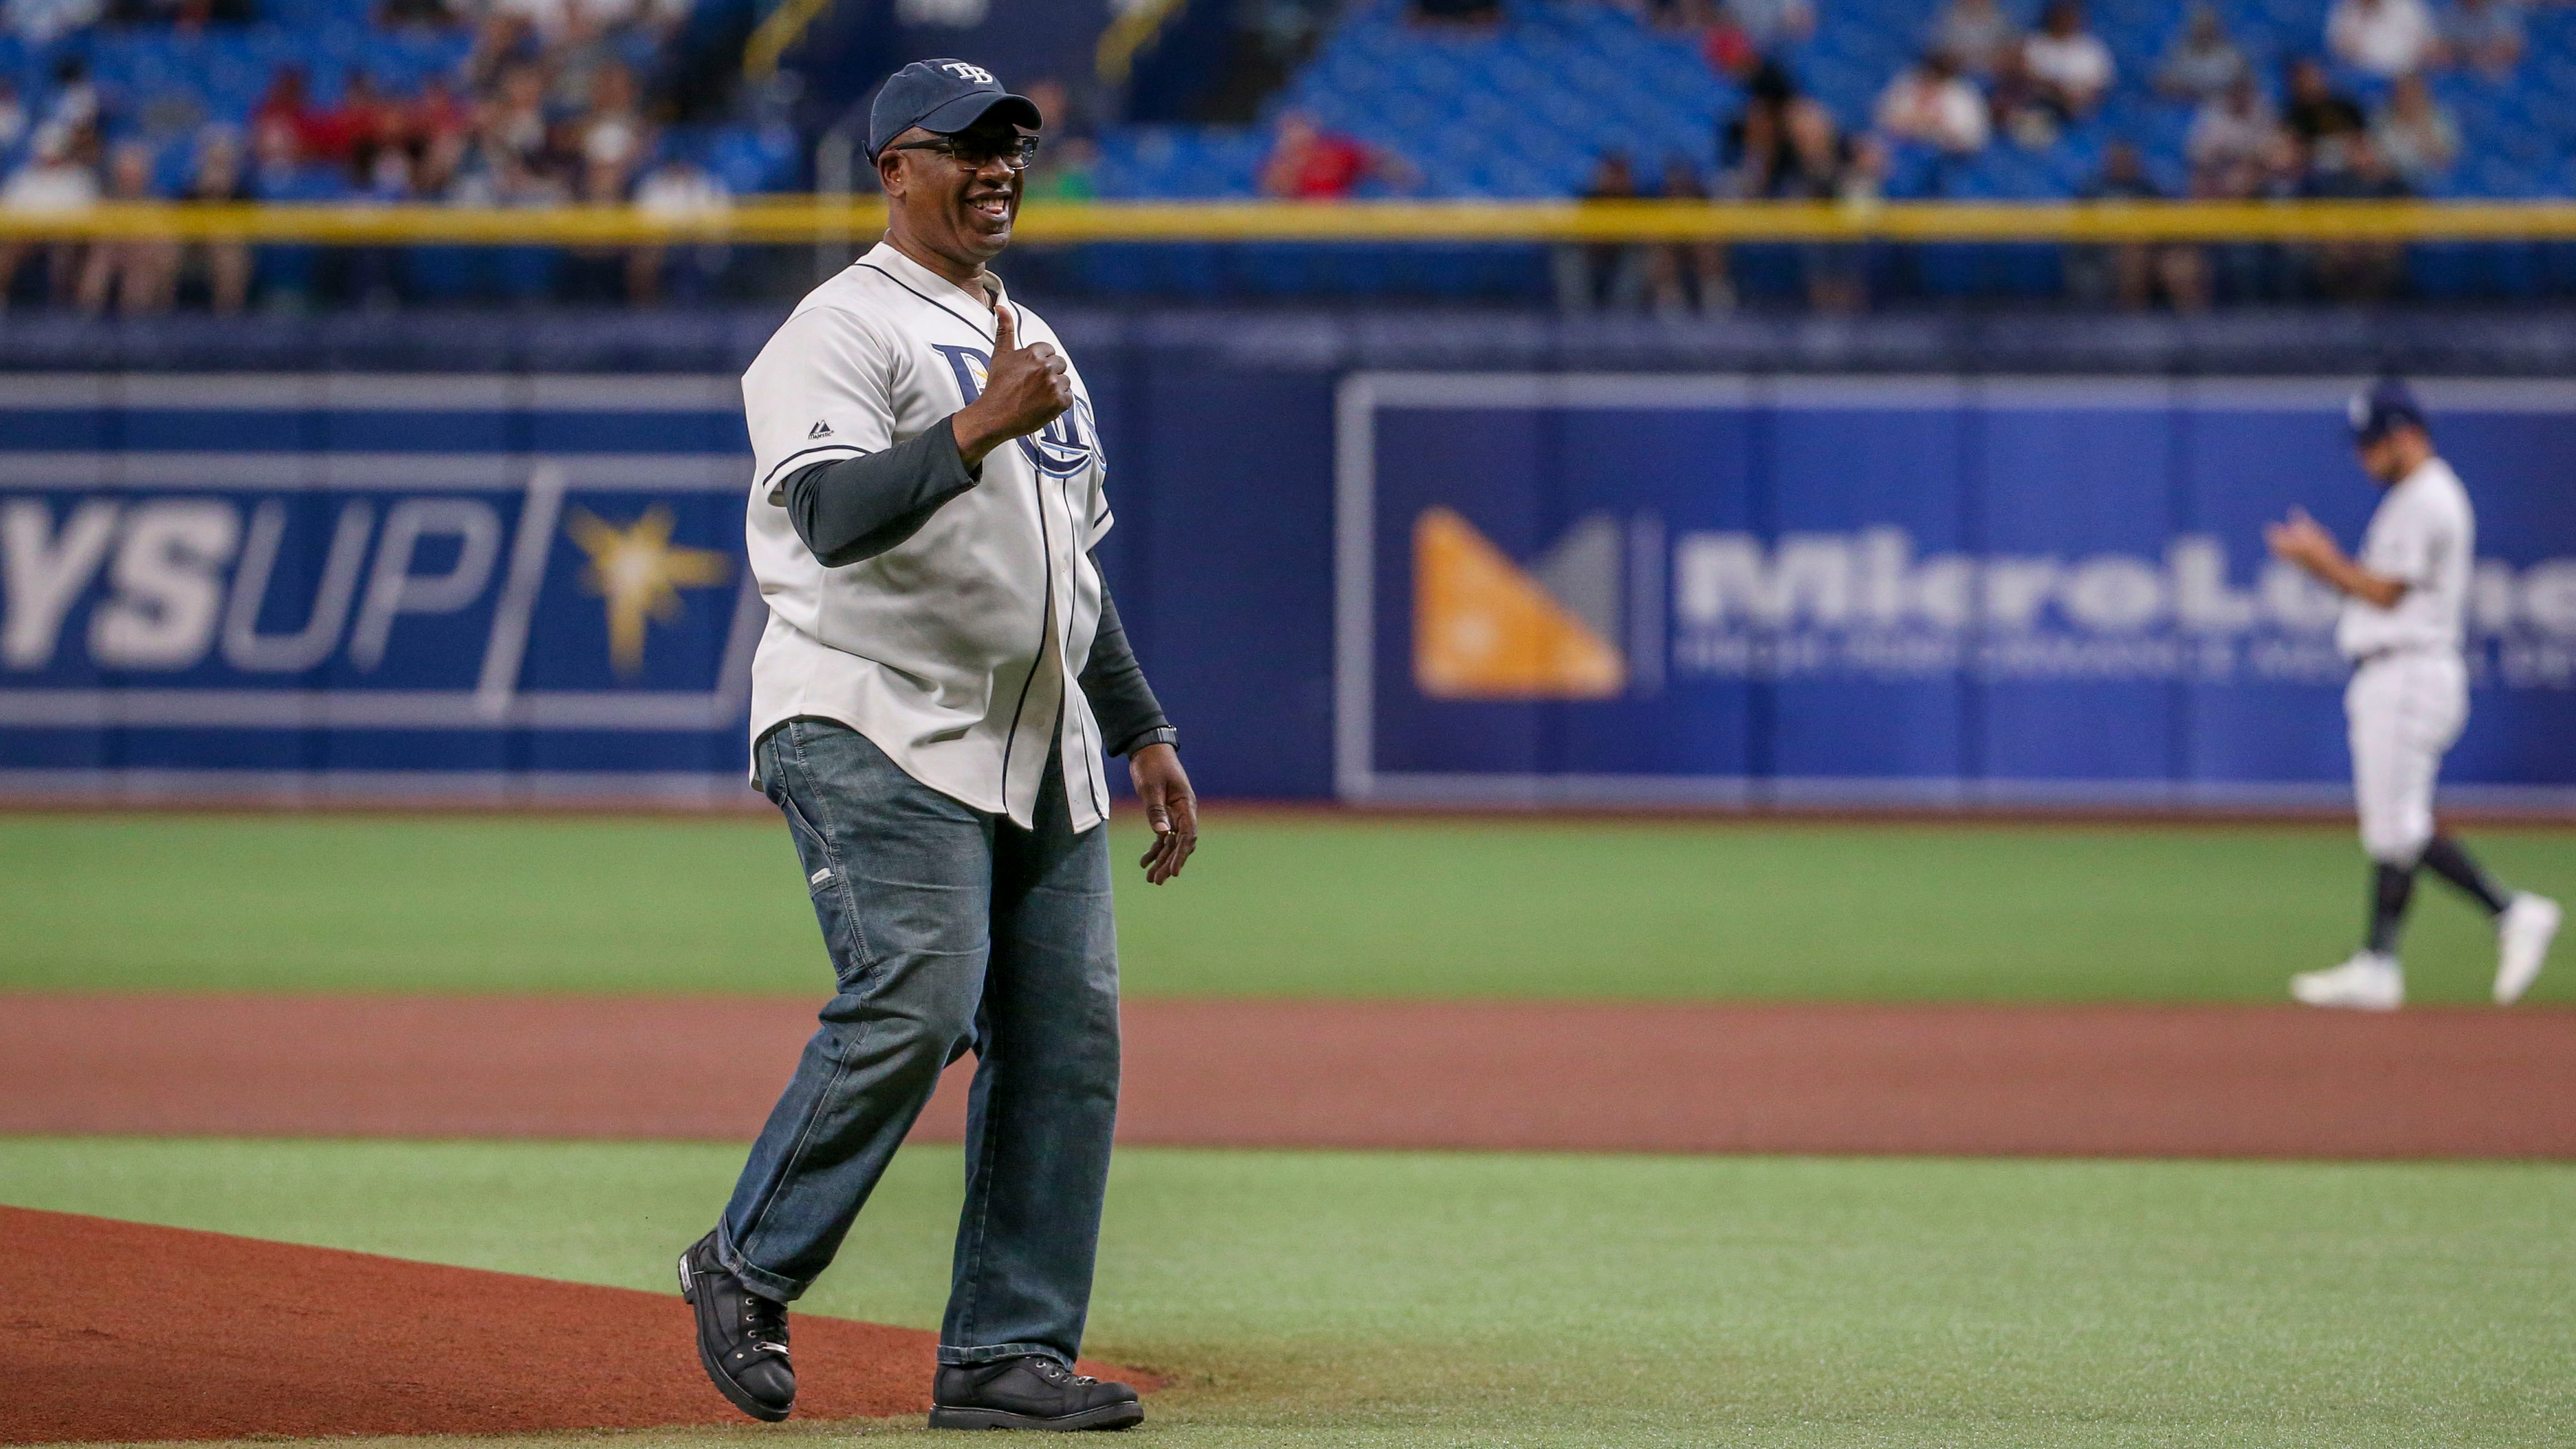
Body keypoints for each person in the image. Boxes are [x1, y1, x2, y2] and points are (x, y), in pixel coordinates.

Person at [679, 57, 1193, 1434]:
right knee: (918, 990)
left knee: (1066, 1039)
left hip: (1039, 740)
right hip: (871, 710)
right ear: (892, 167)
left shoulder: (1037, 340)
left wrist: (1139, 724)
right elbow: (830, 516)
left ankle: (1005, 1350)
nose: (998, 164)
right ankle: (746, 1259)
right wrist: (974, 426)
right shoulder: (834, 330)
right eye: (965, 143)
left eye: (1011, 141)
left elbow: (1065, 565)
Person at [2264, 382, 2560, 1010]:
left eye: (2373, 442)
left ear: (2407, 435)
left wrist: (2320, 561)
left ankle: (2512, 913)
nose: (2364, 455)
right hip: (2398, 672)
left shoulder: (2429, 498)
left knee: (2398, 826)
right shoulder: (2413, 497)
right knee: (2393, 826)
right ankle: (2380, 963)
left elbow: (2387, 593)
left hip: (2408, 672)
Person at [1260, 109, 1412, 197]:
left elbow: (1378, 160)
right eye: (1288, 132)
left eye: (1300, 129)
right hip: (1303, 226)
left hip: (1340, 223)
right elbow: (1272, 196)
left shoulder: (1336, 153)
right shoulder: (1278, 165)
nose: (1296, 137)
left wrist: (1401, 179)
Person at [1876, 50, 1988, 154]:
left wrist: (1937, 126)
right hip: (1902, 149)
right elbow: (1884, 118)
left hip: (1948, 157)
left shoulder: (1962, 95)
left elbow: (1973, 138)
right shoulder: (1909, 83)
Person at [2021, 1, 2113, 120]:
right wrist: (2058, 91)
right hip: (2042, 106)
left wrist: (2078, 95)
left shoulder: (2091, 48)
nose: (2066, 21)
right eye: (2063, 16)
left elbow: (2102, 86)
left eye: (2070, 16)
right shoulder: (2036, 44)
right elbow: (2028, 78)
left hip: (2083, 108)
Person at [2371, 72, 2458, 186]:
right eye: (2403, 93)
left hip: (2433, 183)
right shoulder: (2382, 122)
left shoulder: (2440, 120)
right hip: (2392, 184)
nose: (2408, 98)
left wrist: (2422, 126)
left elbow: (2445, 162)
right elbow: (2377, 159)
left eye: (2413, 93)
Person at [2156, 4, 2250, 100]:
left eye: (2207, 28)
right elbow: (2168, 83)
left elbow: (2240, 82)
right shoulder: (2182, 54)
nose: (2204, 33)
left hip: (2221, 105)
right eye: (2200, 28)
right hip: (2188, 105)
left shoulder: (2229, 55)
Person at [2326, 0, 2438, 78]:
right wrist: (2362, 17)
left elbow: (2428, 44)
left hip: (2407, 73)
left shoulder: (2408, 5)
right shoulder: (2347, 9)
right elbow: (2338, 49)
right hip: (2364, 75)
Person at [2443, 0, 2525, 78]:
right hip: (2466, 71)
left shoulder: (2499, 14)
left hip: (2501, 71)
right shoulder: (2451, 17)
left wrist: (2488, 55)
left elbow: (2513, 49)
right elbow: (2445, 51)